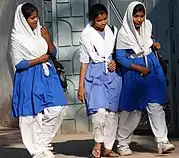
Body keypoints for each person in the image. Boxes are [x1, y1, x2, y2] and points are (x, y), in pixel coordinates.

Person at [115, 1, 175, 156]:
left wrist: (153, 46)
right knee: (133, 110)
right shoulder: (123, 34)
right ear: (130, 16)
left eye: (141, 16)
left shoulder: (147, 25)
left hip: (151, 68)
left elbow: (147, 42)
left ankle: (162, 141)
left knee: (156, 106)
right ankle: (122, 143)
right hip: (135, 72)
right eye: (136, 16)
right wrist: (139, 68)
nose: (139, 20)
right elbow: (121, 57)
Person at [11, 3, 67, 158]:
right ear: (23, 19)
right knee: (31, 115)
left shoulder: (39, 31)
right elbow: (19, 63)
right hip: (28, 76)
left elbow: (52, 52)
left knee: (58, 107)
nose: (35, 20)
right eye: (32, 18)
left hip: (47, 74)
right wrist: (39, 59)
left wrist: (47, 38)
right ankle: (36, 150)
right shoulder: (17, 37)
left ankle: (42, 143)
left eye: (37, 17)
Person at [77, 3, 122, 158]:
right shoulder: (86, 35)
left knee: (112, 113)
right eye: (99, 20)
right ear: (92, 20)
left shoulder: (113, 31)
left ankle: (108, 148)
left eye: (105, 19)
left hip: (112, 74)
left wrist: (115, 61)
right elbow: (84, 61)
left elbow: (118, 52)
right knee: (99, 112)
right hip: (94, 74)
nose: (103, 23)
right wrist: (81, 85)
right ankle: (97, 144)